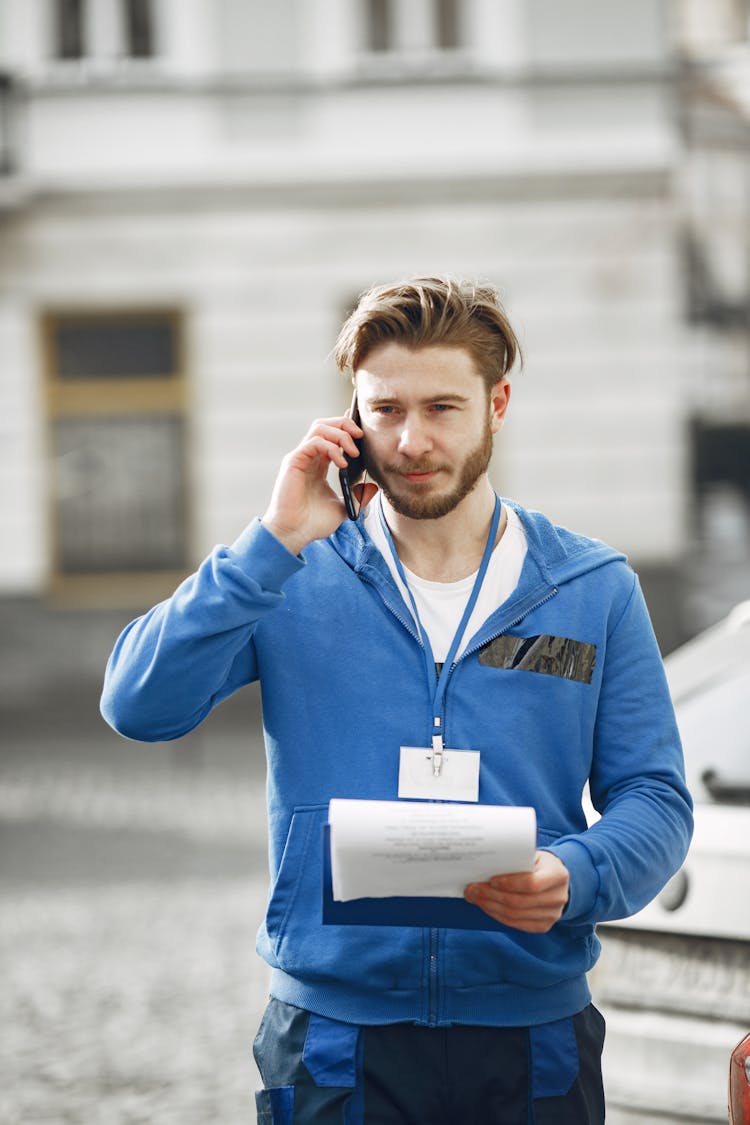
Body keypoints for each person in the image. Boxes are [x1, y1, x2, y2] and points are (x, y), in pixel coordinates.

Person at [101, 276, 693, 1124]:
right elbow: (136, 703)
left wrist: (577, 873)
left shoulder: (592, 588)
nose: (412, 439)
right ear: (351, 416)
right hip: (335, 1036)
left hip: (532, 1037)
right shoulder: (291, 573)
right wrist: (269, 543)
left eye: (444, 407)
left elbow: (656, 797)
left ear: (498, 404)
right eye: (385, 410)